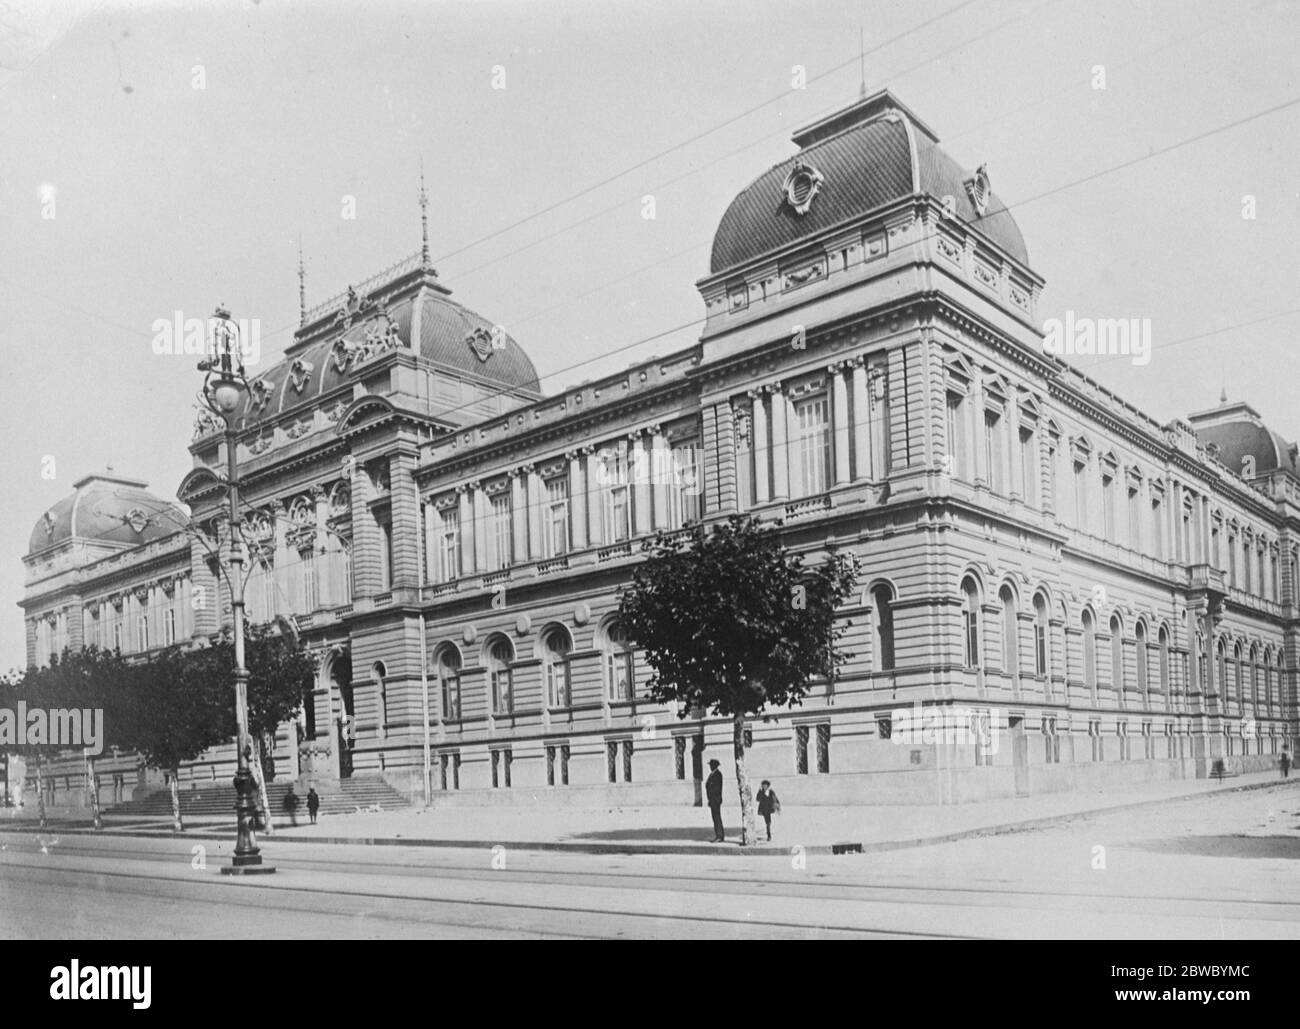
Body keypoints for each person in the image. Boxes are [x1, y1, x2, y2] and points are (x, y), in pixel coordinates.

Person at [705, 759, 724, 842]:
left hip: (715, 800)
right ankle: (719, 835)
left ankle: (719, 836)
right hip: (713, 800)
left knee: (716, 818)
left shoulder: (717, 774)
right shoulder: (712, 774)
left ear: (714, 766)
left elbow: (716, 789)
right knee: (715, 818)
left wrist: (713, 799)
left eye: (711, 765)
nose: (710, 767)